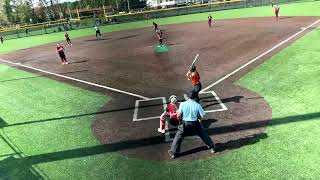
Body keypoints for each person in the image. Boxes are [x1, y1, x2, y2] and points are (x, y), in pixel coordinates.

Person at [168, 90, 215, 159]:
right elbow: (201, 116)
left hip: (185, 123)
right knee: (203, 134)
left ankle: (173, 153)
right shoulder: (197, 105)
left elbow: (178, 115)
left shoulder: (183, 104)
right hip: (195, 123)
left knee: (178, 136)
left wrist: (179, 120)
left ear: (188, 97)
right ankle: (212, 147)